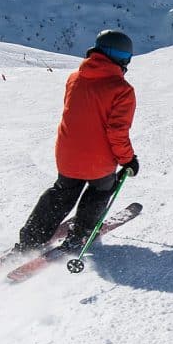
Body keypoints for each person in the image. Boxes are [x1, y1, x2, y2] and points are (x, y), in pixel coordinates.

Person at [14, 30, 140, 252]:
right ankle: (79, 237)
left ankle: (31, 238)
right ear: (121, 58)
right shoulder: (122, 90)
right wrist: (128, 160)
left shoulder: (74, 78)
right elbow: (117, 131)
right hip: (98, 160)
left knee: (62, 192)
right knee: (100, 191)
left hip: (67, 153)